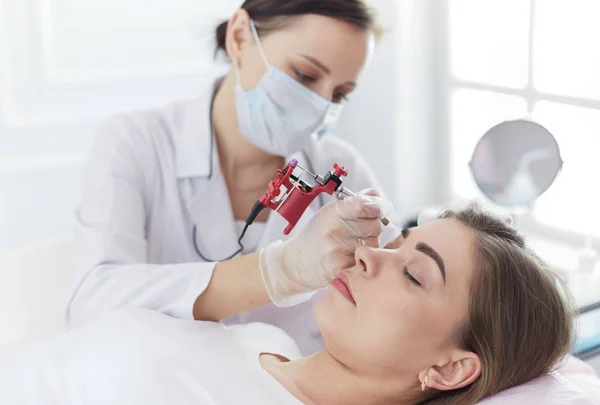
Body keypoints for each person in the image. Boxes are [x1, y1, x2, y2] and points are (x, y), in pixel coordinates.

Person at [66, 0, 400, 354]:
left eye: (339, 94)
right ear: (239, 37)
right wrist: (279, 271)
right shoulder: (136, 143)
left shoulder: (339, 164)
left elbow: (395, 304)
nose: (320, 105)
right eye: (304, 75)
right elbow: (92, 304)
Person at [5, 207, 575, 404]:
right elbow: (91, 307)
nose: (370, 256)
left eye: (414, 274)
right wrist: (277, 271)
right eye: (395, 240)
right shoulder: (266, 343)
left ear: (450, 367)